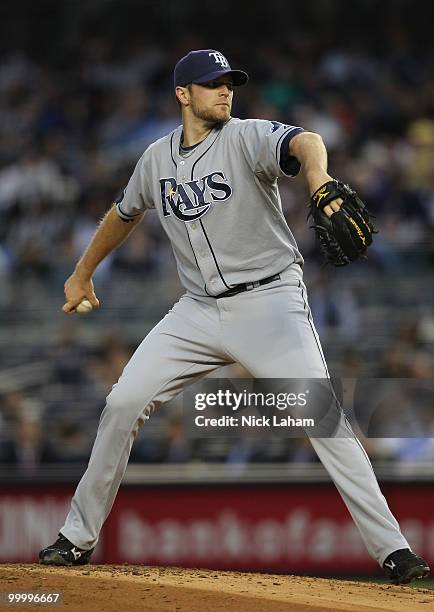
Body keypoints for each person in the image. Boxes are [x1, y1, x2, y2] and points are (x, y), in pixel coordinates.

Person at [39, 49, 429, 585]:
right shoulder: (155, 158)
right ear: (183, 94)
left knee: (325, 422)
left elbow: (306, 141)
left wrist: (317, 179)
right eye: (212, 84)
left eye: (229, 83)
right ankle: (75, 539)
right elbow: (124, 212)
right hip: (196, 311)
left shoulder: (245, 136)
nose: (225, 91)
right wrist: (82, 273)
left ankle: (395, 553)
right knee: (122, 402)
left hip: (270, 303)